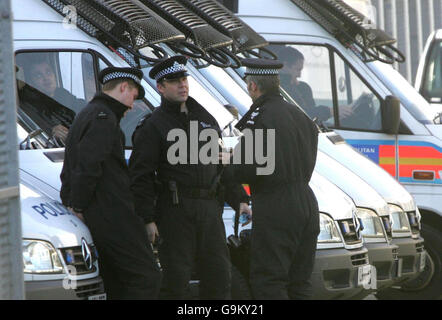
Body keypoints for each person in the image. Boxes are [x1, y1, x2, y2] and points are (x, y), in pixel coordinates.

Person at [128, 56, 251, 299]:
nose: (182, 85)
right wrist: (147, 218)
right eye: (173, 81)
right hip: (174, 210)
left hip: (208, 209)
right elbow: (140, 175)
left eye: (184, 79)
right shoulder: (154, 125)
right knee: (176, 281)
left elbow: (221, 165)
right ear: (160, 88)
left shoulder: (205, 119)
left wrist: (239, 200)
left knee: (219, 277)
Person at [60, 67, 161, 299]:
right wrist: (78, 206)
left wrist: (73, 202)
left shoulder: (89, 113)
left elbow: (71, 169)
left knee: (117, 280)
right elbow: (87, 167)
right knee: (146, 277)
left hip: (103, 212)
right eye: (133, 98)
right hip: (111, 214)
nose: (132, 106)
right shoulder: (103, 118)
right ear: (124, 87)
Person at [226, 58, 320, 299]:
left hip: (276, 203)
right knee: (300, 282)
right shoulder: (299, 115)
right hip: (307, 201)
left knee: (270, 280)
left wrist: (230, 160)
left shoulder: (259, 118)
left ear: (253, 86)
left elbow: (247, 168)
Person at [19, 56, 86, 143]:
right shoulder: (29, 105)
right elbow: (33, 129)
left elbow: (83, 108)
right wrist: (51, 131)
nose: (46, 78)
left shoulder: (65, 96)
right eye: (38, 75)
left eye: (48, 72)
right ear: (31, 82)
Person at [276, 46, 353, 122]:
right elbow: (299, 116)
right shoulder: (275, 90)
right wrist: (330, 111)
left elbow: (312, 119)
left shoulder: (303, 88)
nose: (299, 75)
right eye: (297, 69)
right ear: (284, 66)